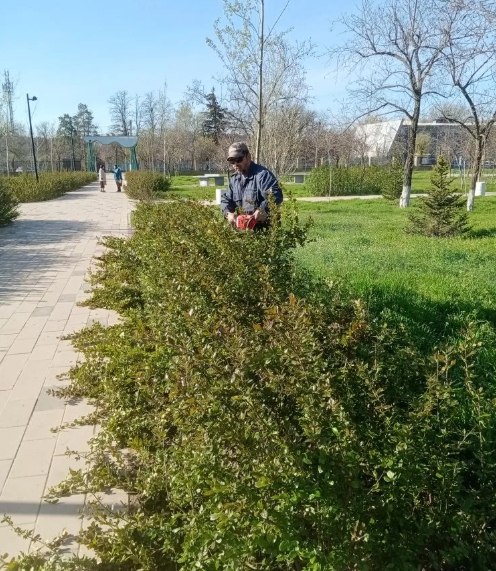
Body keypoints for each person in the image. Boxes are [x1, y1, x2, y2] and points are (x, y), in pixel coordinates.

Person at [221, 142, 283, 229]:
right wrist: (228, 214)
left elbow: (276, 194)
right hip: (243, 230)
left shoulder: (262, 175)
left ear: (248, 157)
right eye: (232, 161)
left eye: (239, 159)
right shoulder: (234, 179)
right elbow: (226, 199)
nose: (235, 164)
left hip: (264, 230)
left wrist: (262, 209)